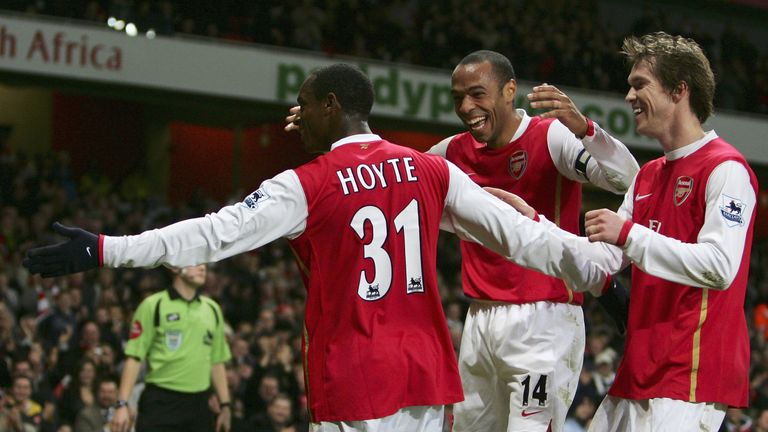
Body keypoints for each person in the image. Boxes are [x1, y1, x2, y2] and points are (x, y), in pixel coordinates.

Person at [23, 63, 608, 431]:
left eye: (306, 105)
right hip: (425, 377)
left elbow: (211, 234)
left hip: (354, 377)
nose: (295, 117)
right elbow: (523, 237)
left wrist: (105, 249)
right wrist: (604, 263)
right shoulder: (429, 170)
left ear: (331, 106)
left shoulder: (305, 184)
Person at [494, 32, 757, 431]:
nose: (629, 96)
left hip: (688, 382)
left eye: (640, 85)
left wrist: (629, 234)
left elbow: (720, 267)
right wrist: (533, 222)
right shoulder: (649, 175)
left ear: (679, 90)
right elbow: (603, 259)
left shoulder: (726, 169)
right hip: (637, 373)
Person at [427, 49, 639, 432]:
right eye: (458, 97)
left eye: (477, 94)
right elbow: (393, 182)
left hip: (544, 321)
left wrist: (585, 129)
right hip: (479, 319)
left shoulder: (550, 136)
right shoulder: (451, 152)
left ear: (509, 90)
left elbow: (627, 178)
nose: (466, 106)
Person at [109, 264, 232, 432]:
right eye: (195, 262)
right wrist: (122, 404)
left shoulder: (212, 309)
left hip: (199, 404)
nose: (202, 268)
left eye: (203, 263)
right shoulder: (153, 305)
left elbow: (217, 361)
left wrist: (225, 404)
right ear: (175, 267)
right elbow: (134, 357)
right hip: (161, 401)